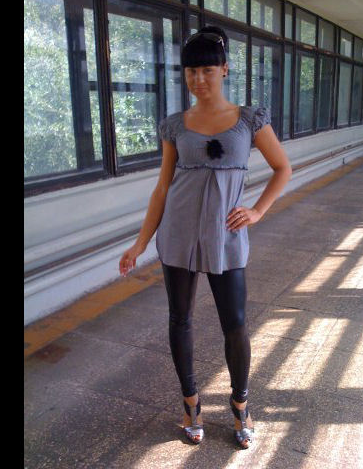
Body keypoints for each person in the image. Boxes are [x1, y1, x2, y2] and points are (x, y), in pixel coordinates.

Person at [118, 25, 292, 449]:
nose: (198, 79)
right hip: (178, 234)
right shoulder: (175, 125)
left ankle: (240, 404)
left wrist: (257, 211)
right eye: (191, 71)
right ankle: (191, 403)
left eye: (207, 70)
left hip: (226, 238)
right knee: (180, 319)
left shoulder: (249, 120)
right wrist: (140, 243)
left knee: (236, 324)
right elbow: (163, 189)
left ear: (224, 70)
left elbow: (282, 168)